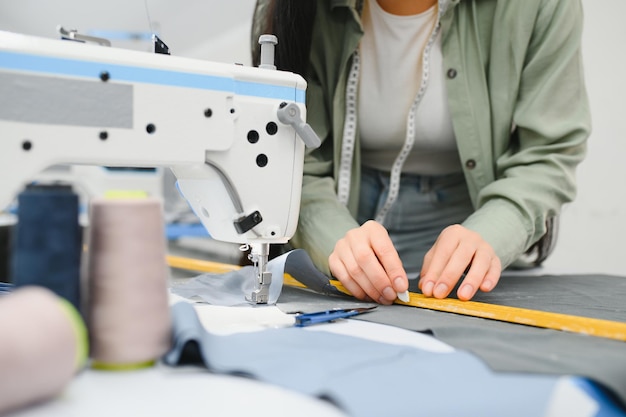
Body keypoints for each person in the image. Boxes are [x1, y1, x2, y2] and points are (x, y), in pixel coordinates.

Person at [251, 0, 590, 304]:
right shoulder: (292, 8)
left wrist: (494, 233)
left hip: (468, 219)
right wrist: (332, 238)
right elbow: (288, 159)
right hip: (335, 213)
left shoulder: (542, 6)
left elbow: (548, 151)